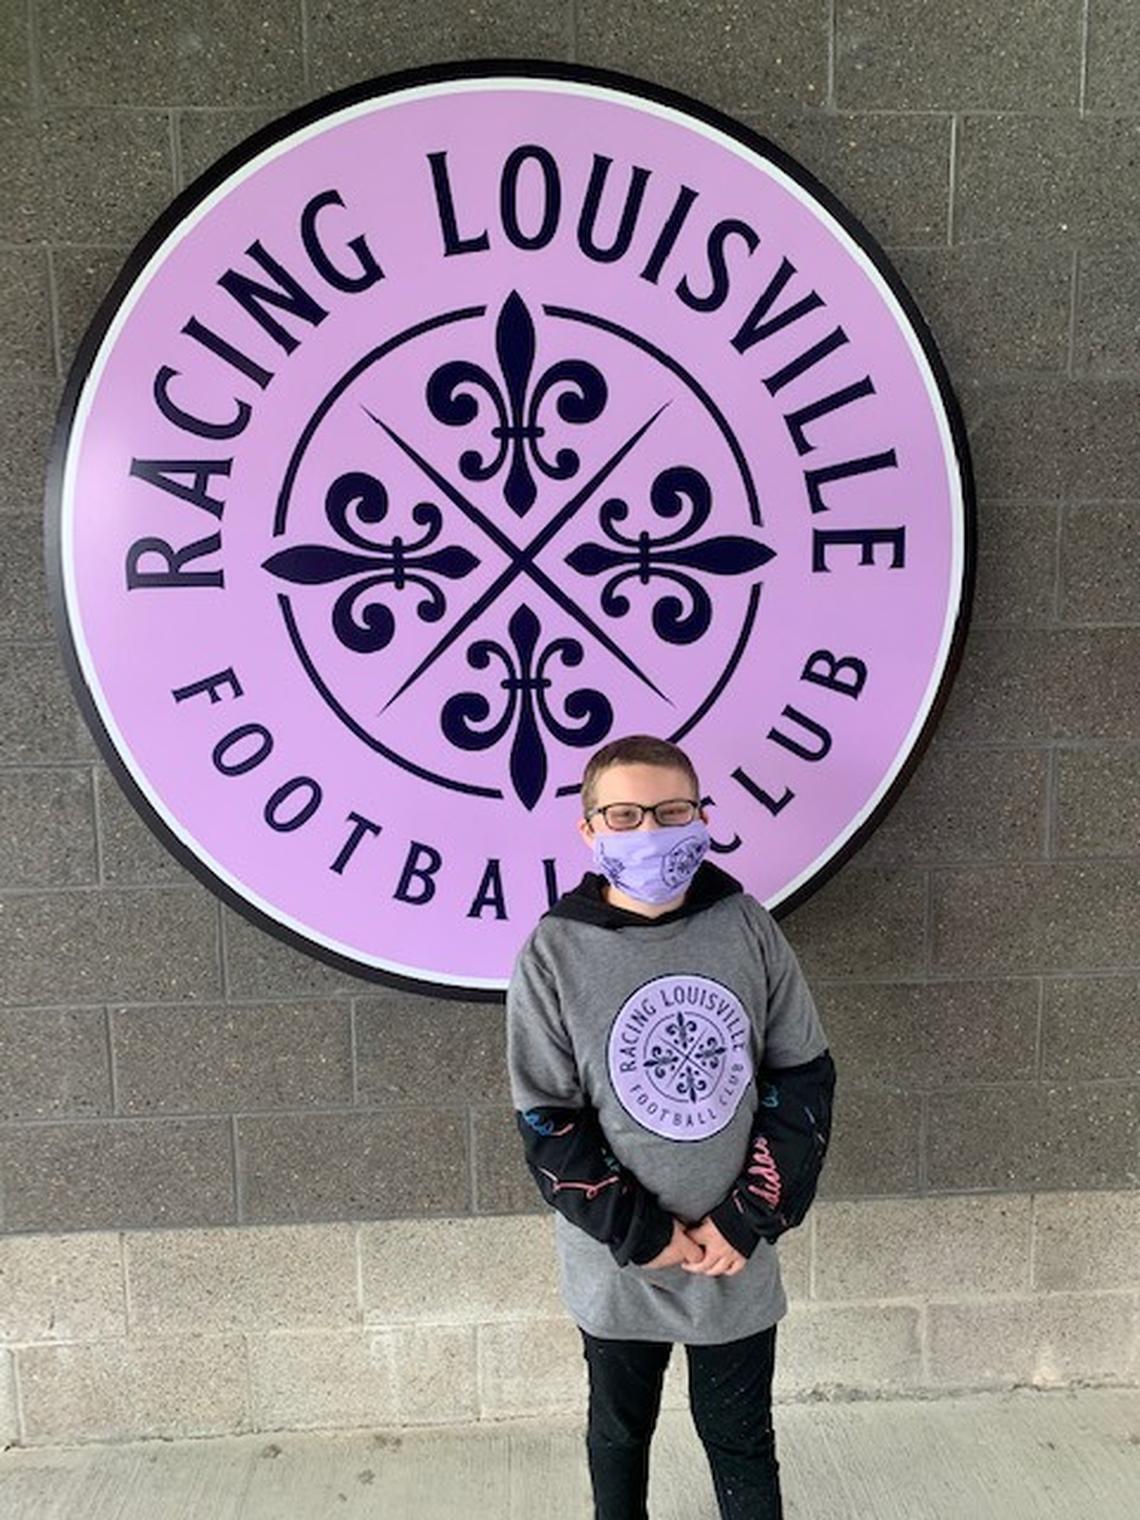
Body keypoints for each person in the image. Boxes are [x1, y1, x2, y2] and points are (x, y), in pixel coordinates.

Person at [506, 733, 837, 1520]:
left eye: (671, 810)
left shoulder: (746, 927)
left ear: (702, 817)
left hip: (735, 1253)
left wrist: (748, 1215)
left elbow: (803, 1075)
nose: (650, 830)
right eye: (624, 815)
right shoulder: (554, 952)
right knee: (619, 1433)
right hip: (618, 1258)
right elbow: (546, 1117)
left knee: (741, 1437)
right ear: (589, 831)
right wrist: (640, 1231)